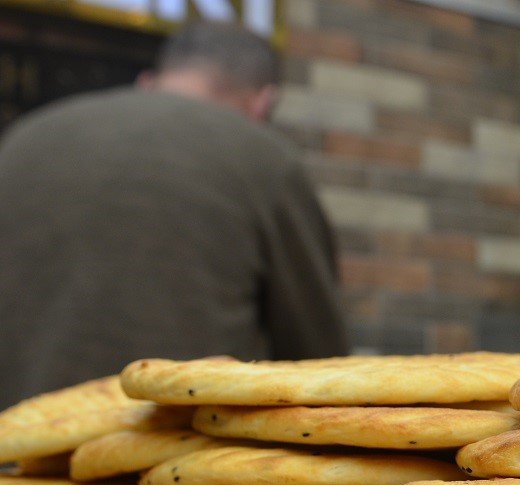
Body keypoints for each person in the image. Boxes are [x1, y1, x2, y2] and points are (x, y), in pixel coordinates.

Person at [0, 22, 348, 409]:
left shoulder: (25, 136)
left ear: (147, 81)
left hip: (16, 429)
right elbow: (319, 361)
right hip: (166, 438)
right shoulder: (265, 159)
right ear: (263, 102)